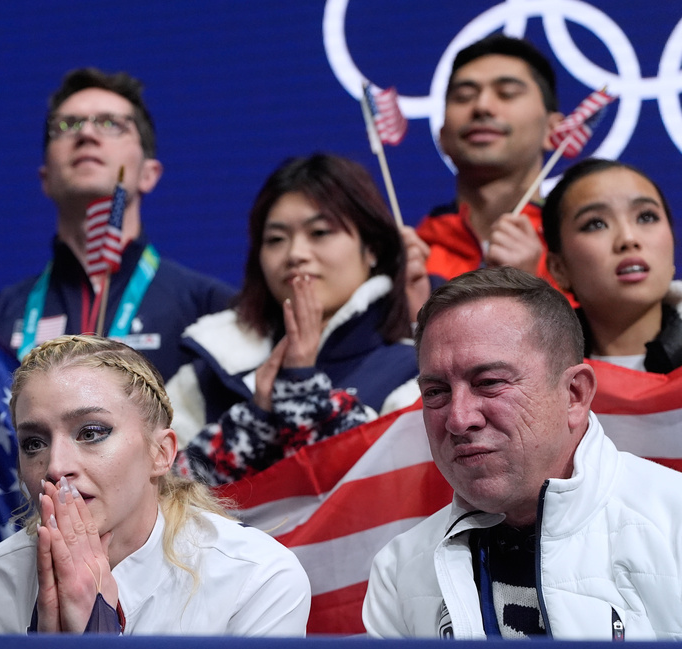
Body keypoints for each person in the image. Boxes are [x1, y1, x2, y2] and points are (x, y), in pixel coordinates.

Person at [0, 67, 234, 496]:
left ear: (149, 173)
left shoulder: (211, 311)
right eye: (66, 125)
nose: (86, 134)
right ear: (45, 178)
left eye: (111, 124)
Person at [362, 266, 682, 639]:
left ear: (575, 394)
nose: (458, 419)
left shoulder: (675, 522)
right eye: (435, 392)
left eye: (489, 383)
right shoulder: (398, 573)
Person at [0, 335, 311, 635]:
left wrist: (95, 647)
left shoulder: (256, 577)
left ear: (161, 453)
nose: (56, 467)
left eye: (92, 433)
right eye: (34, 443)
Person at [167, 154, 418, 486]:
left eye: (319, 232)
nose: (295, 253)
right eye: (276, 239)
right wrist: (254, 421)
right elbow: (158, 496)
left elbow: (385, 495)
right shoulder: (210, 373)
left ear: (371, 248)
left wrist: (303, 387)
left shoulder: (415, 370)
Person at [408, 34, 566, 317]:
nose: (482, 106)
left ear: (553, 130)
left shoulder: (574, 250)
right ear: (441, 136)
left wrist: (532, 290)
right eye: (463, 97)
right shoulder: (412, 257)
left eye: (507, 93)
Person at [543, 158, 682, 373]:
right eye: (596, 224)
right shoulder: (534, 376)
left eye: (646, 217)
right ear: (558, 268)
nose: (628, 238)